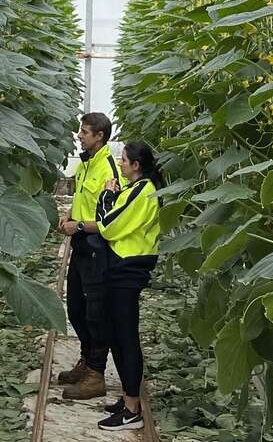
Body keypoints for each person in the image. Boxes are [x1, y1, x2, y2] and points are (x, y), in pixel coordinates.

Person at [78, 139, 162, 433]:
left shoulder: (144, 192)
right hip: (122, 269)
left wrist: (104, 196)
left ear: (136, 166)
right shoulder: (136, 190)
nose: (121, 163)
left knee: (126, 339)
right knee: (117, 335)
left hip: (128, 270)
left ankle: (131, 410)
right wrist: (113, 197)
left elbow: (108, 225)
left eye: (124, 160)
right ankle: (129, 402)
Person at [56, 112, 118, 401]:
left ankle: (96, 374)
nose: (79, 135)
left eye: (84, 132)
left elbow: (113, 219)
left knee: (96, 312)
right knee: (76, 310)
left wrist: (79, 225)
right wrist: (70, 214)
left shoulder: (108, 168)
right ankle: (86, 361)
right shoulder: (87, 164)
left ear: (99, 137)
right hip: (81, 242)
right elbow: (83, 198)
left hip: (97, 245)